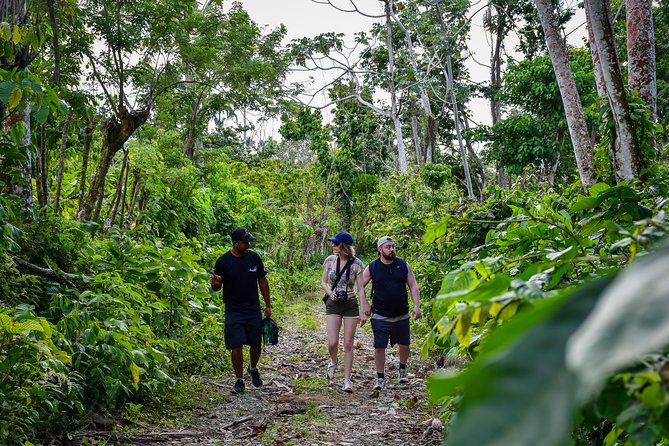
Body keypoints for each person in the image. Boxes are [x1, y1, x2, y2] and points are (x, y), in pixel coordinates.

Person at [210, 227, 272, 394]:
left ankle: (252, 368)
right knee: (236, 344)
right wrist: (215, 284)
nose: (249, 245)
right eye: (245, 242)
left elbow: (263, 281)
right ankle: (239, 380)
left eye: (249, 241)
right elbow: (216, 287)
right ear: (235, 243)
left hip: (252, 308)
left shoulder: (254, 258)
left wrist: (267, 304)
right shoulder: (223, 261)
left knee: (256, 343)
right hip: (233, 309)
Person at [362, 236, 421, 391]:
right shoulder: (372, 267)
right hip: (380, 314)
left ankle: (402, 370)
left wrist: (417, 306)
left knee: (405, 344)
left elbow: (413, 285)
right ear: (380, 249)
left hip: (401, 314)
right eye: (388, 247)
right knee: (379, 346)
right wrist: (365, 304)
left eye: (393, 246)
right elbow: (360, 286)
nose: (392, 249)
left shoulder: (403, 265)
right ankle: (380, 377)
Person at [320, 231, 369, 393]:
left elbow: (361, 288)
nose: (333, 246)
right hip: (333, 304)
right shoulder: (329, 261)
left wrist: (363, 310)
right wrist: (330, 293)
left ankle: (347, 379)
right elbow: (324, 282)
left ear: (344, 246)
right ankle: (333, 361)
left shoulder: (357, 264)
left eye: (336, 243)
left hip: (350, 304)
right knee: (332, 342)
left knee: (348, 344)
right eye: (333, 243)